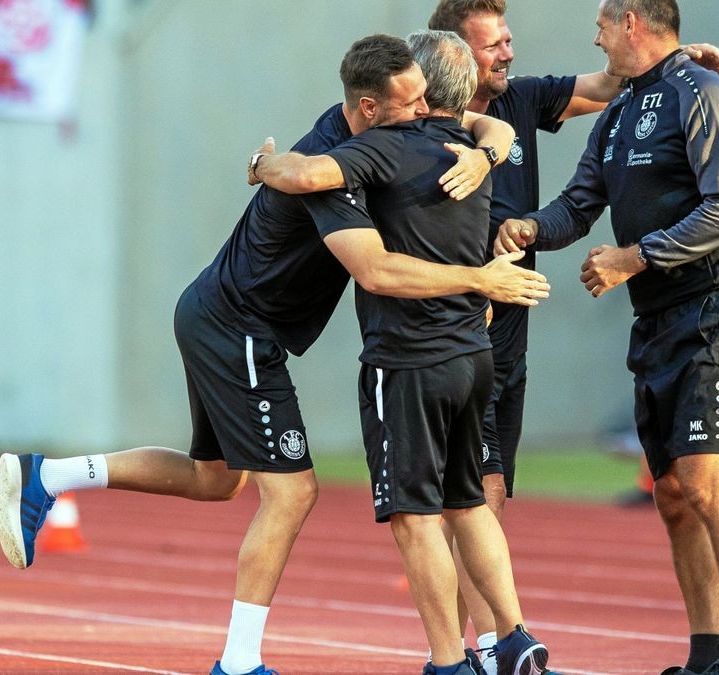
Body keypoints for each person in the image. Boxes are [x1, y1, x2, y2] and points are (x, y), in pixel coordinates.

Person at [0, 34, 549, 675]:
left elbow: (477, 121)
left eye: (428, 98)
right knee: (291, 494)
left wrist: (488, 151)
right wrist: (264, 165)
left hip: (218, 313)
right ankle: (237, 663)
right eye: (411, 101)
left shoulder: (369, 135)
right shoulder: (336, 167)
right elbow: (365, 259)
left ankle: (50, 477)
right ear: (369, 109)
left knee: (214, 480)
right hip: (239, 325)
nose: (425, 111)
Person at [425, 1, 719, 668]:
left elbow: (612, 82)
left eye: (509, 40)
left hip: (511, 335)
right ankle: (471, 649)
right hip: (454, 330)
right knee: (467, 497)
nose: (509, 53)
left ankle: (477, 649)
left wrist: (682, 60)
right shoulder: (421, 127)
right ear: (453, 54)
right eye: (494, 45)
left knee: (489, 496)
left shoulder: (524, 99)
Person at [256, 29, 558, 675]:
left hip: (408, 362)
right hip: (473, 355)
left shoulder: (383, 148)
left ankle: (449, 663)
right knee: (470, 502)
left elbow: (308, 174)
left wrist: (260, 164)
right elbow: (495, 132)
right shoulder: (479, 151)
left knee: (415, 519)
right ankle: (513, 637)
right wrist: (490, 147)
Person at [493, 0, 719, 672]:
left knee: (708, 480)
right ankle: (709, 655)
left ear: (634, 25)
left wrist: (633, 257)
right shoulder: (619, 112)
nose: (595, 36)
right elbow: (580, 202)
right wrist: (531, 227)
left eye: (603, 23)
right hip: (657, 320)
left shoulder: (703, 92)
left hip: (716, 307)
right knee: (673, 494)